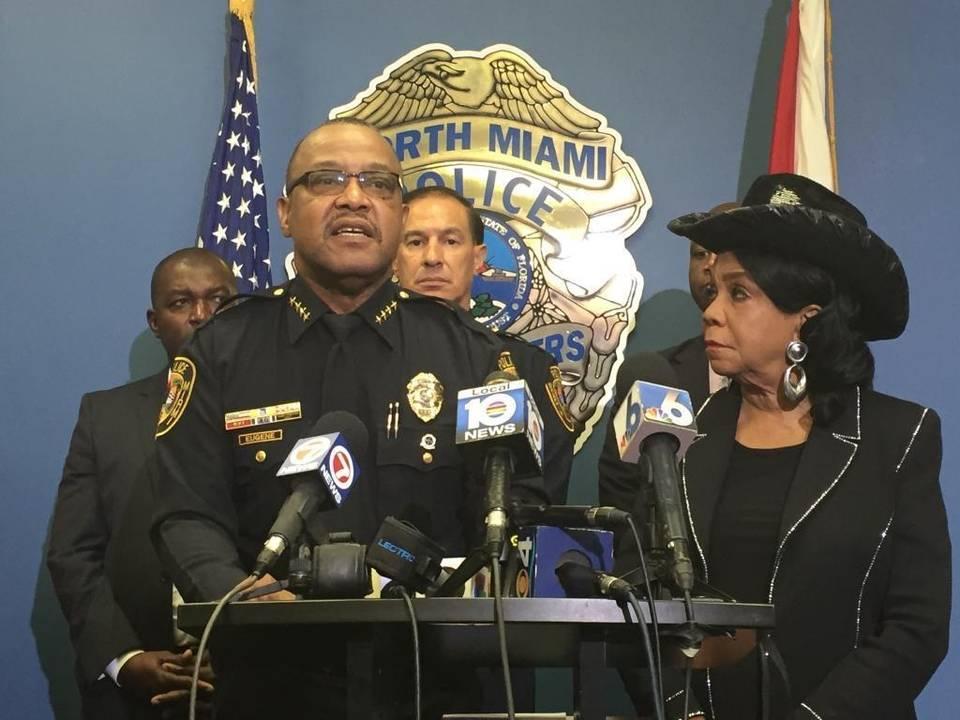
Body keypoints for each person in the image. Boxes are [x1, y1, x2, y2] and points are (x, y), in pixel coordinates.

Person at [149, 119, 555, 718]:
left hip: (430, 682)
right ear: (286, 214)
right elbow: (184, 512)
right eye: (326, 179)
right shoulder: (221, 350)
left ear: (397, 210)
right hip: (271, 680)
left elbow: (518, 511)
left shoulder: (475, 358)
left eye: (378, 184)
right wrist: (251, 597)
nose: (354, 197)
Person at [607, 174, 951, 719]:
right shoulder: (677, 434)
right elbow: (638, 601)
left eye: (738, 292)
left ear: (805, 318)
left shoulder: (900, 438)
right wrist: (684, 714)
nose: (712, 309)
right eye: (714, 288)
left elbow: (917, 628)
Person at [47, 248, 235, 719]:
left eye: (218, 300)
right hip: (134, 695)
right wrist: (123, 659)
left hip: (252, 684)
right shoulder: (103, 416)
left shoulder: (277, 413)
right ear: (155, 321)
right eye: (180, 303)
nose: (201, 315)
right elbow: (73, 553)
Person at [396, 184, 576, 504]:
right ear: (392, 259)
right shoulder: (363, 356)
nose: (432, 257)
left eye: (450, 241)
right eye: (415, 242)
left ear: (478, 258)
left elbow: (542, 502)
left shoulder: (528, 369)